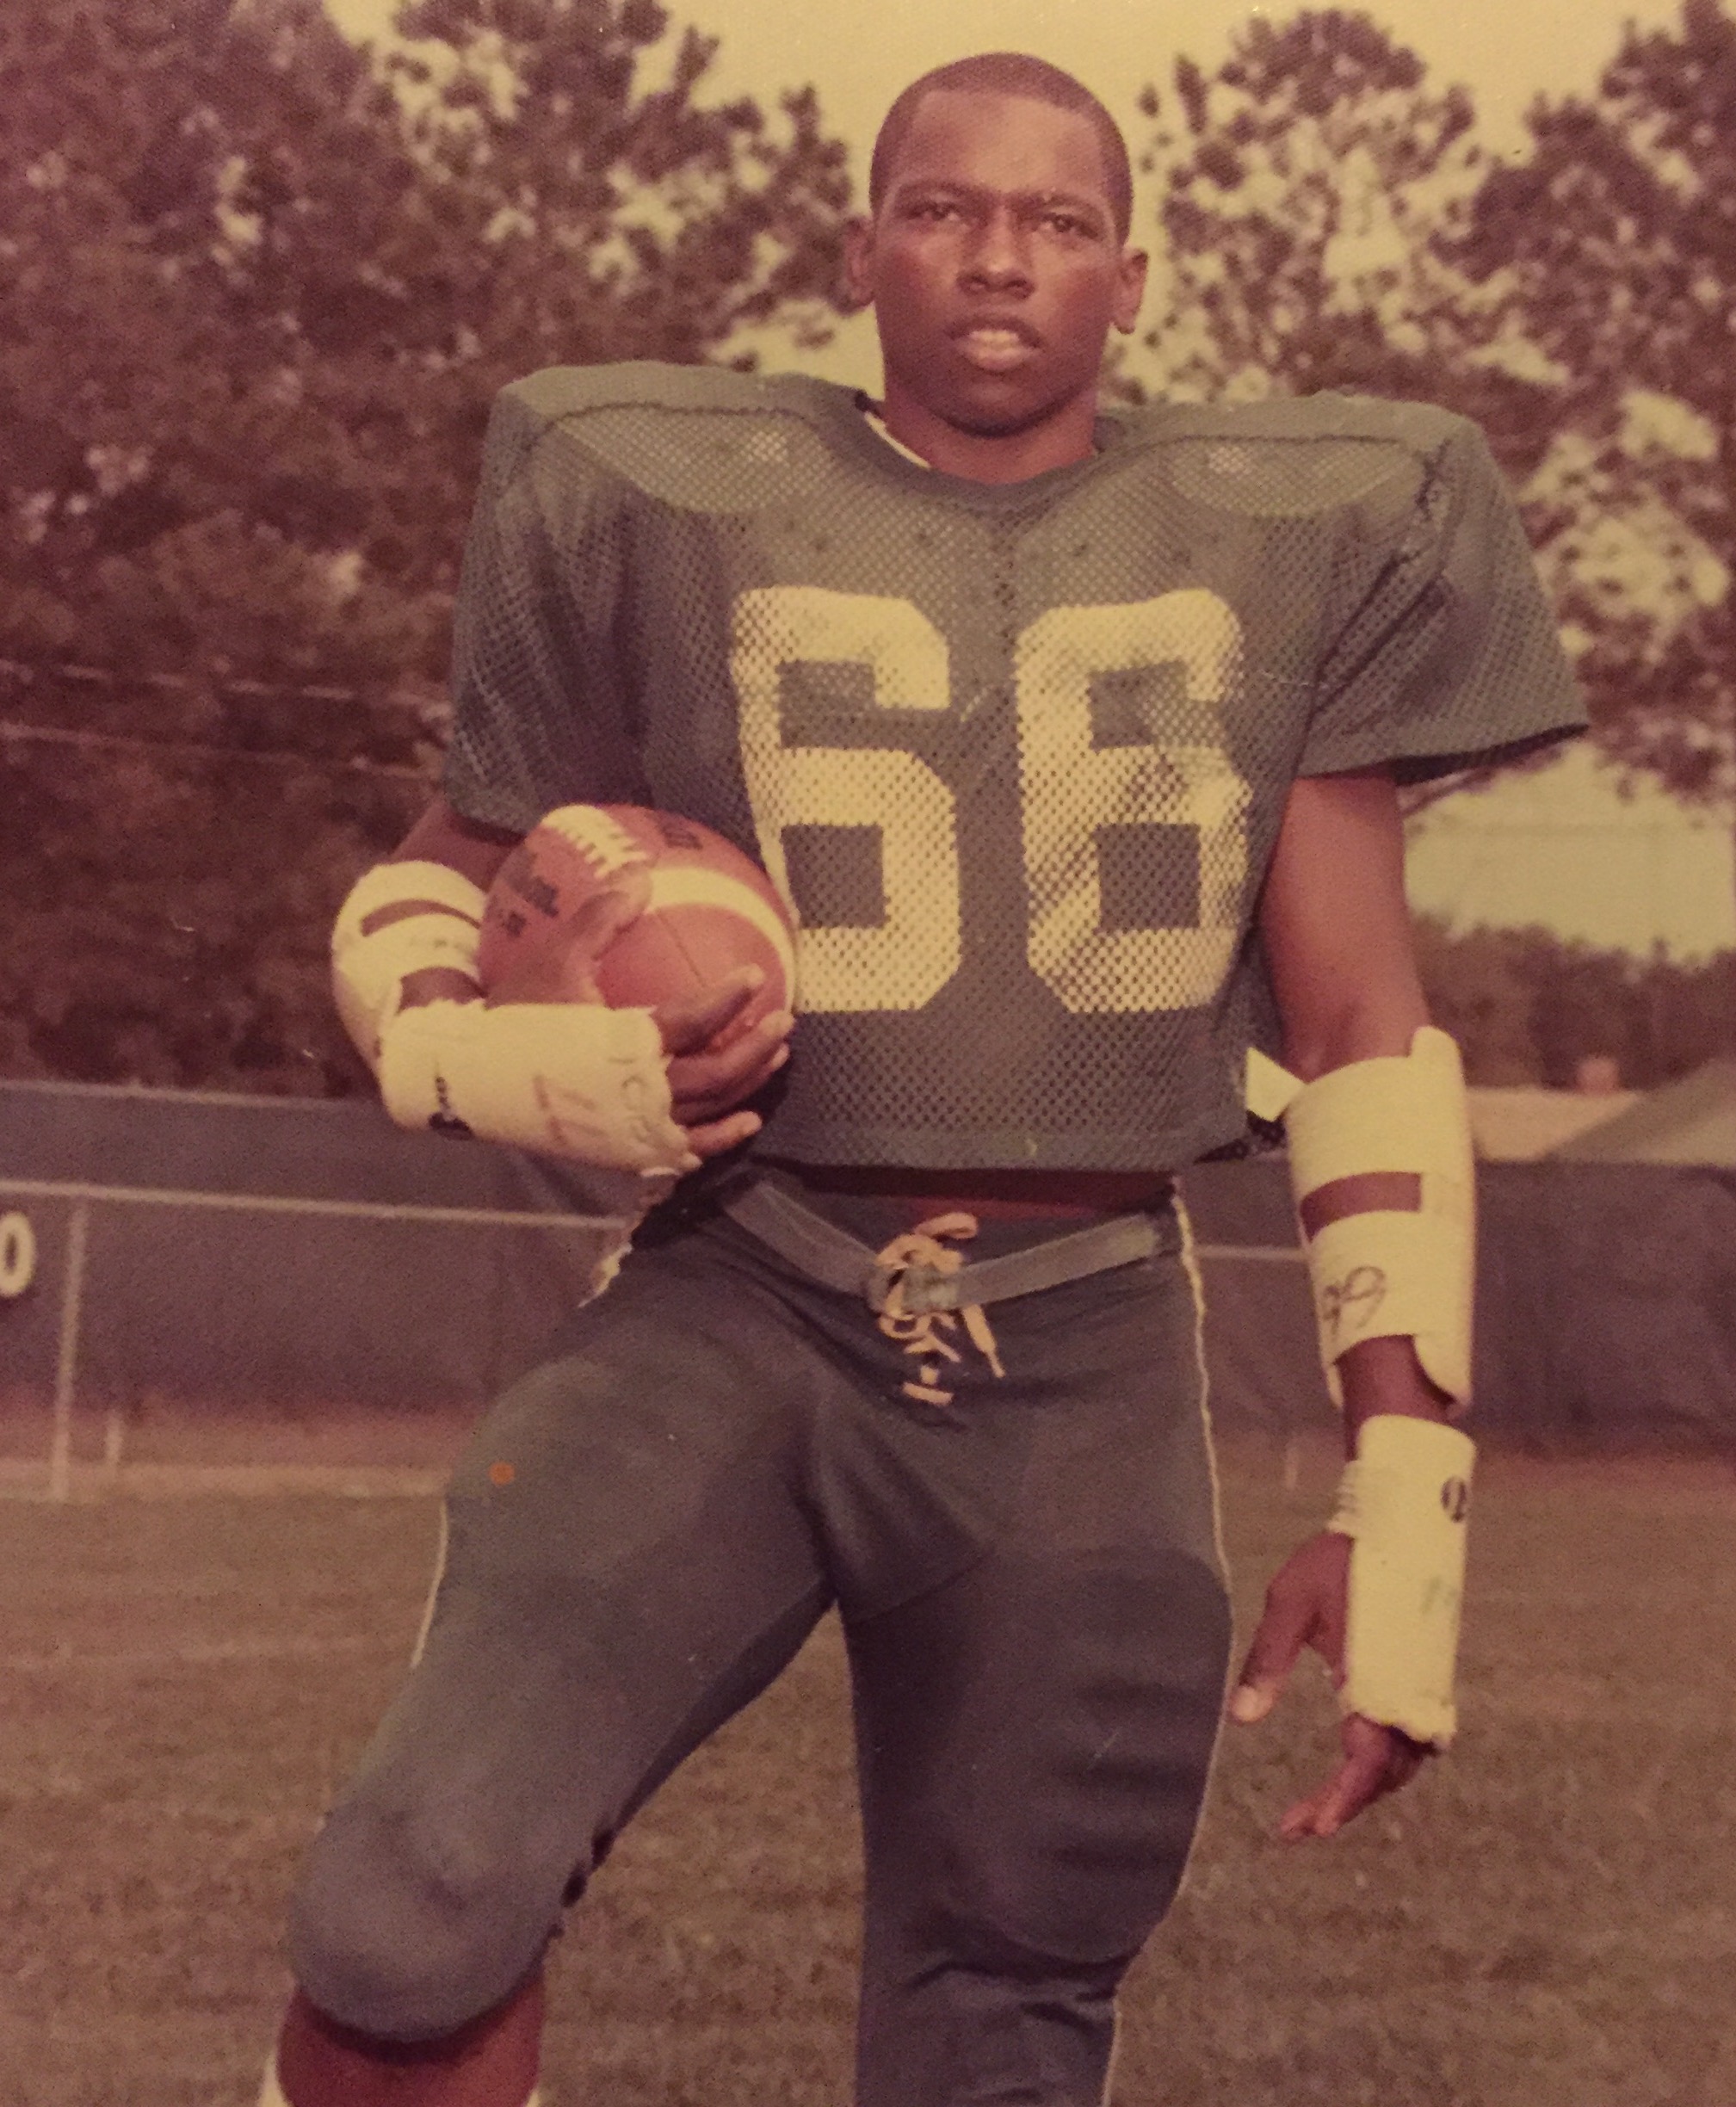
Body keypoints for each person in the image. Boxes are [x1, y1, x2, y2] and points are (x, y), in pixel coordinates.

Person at [263, 52, 1584, 2107]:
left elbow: (1358, 1032)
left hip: (1081, 1353)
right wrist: (477, 1054)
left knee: (1004, 2015)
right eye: (947, 208)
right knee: (412, 1905)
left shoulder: (1299, 531)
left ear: (1130, 278)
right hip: (748, 1284)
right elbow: (449, 873)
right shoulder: (656, 485)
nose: (998, 258)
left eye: (1057, 223)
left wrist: (1402, 1482)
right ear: (858, 246)